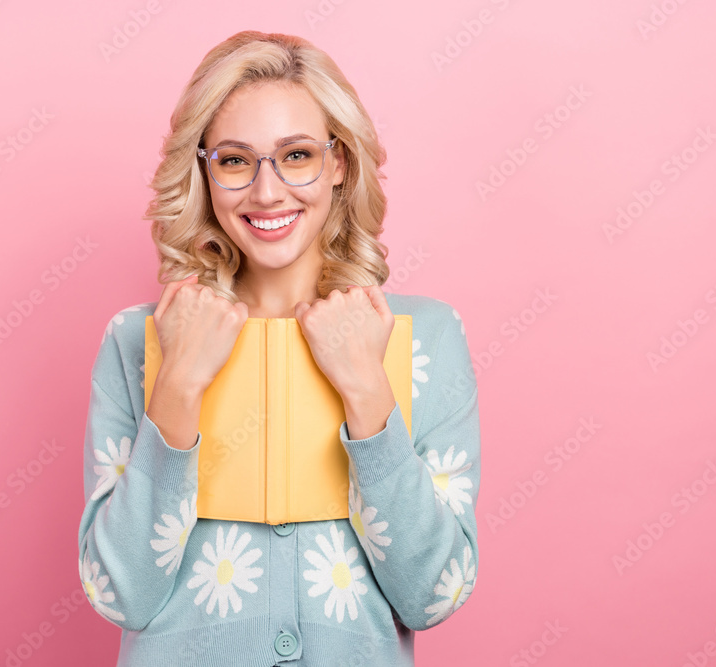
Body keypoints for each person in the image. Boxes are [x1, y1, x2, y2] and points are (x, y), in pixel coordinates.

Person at [78, 30, 481, 667]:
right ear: (205, 171)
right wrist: (178, 385)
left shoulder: (424, 336)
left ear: (340, 162)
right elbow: (121, 594)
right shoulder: (138, 340)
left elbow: (432, 595)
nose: (267, 193)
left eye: (296, 156)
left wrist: (366, 390)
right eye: (236, 160)